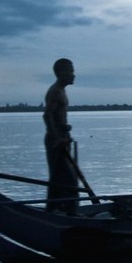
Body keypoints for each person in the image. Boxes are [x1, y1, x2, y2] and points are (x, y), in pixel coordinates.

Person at [43, 58, 78, 214]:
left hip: (63, 139)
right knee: (65, 179)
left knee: (63, 179)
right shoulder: (55, 91)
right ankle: (63, 212)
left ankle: (60, 209)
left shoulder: (62, 91)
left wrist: (65, 128)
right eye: (70, 71)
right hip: (56, 142)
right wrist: (57, 138)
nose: (73, 75)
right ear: (61, 73)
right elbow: (47, 115)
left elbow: (58, 116)